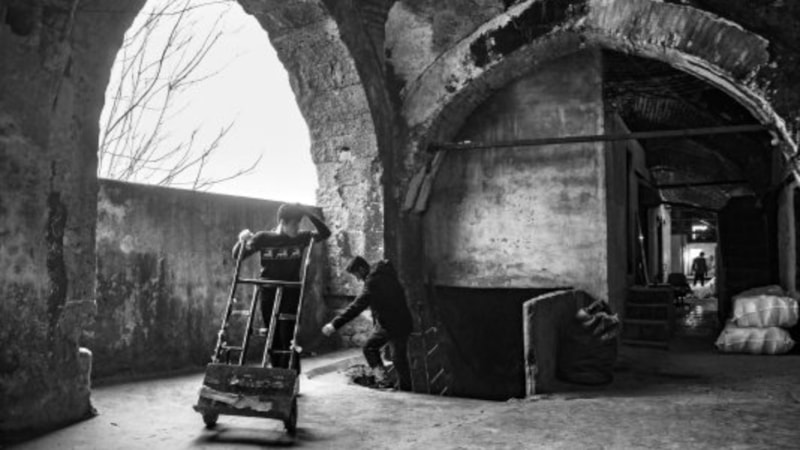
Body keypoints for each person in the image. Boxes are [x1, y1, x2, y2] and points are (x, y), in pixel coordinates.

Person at [233, 203, 331, 370]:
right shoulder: (263, 238)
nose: (297, 228)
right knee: (273, 334)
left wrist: (308, 213)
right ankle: (276, 372)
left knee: (289, 334)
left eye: (299, 224)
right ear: (283, 222)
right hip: (268, 292)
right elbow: (237, 256)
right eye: (294, 224)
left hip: (291, 293)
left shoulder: (301, 237)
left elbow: (325, 233)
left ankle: (292, 376)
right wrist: (241, 240)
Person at [322, 257, 413, 391]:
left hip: (390, 324)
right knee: (399, 359)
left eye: (356, 275)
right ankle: (406, 389)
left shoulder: (373, 282)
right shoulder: (385, 273)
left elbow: (356, 307)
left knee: (369, 348)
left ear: (361, 269)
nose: (358, 279)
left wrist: (334, 324)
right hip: (403, 322)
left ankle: (384, 381)